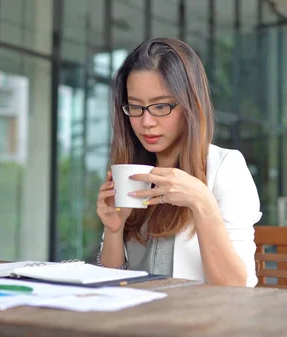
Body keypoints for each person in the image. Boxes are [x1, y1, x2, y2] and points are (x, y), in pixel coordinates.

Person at [95, 37, 262, 287]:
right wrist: (113, 231)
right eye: (135, 107)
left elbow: (236, 288)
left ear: (190, 105)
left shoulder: (225, 168)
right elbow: (113, 284)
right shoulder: (132, 171)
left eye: (160, 106)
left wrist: (202, 202)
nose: (146, 122)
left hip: (196, 319)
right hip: (137, 318)